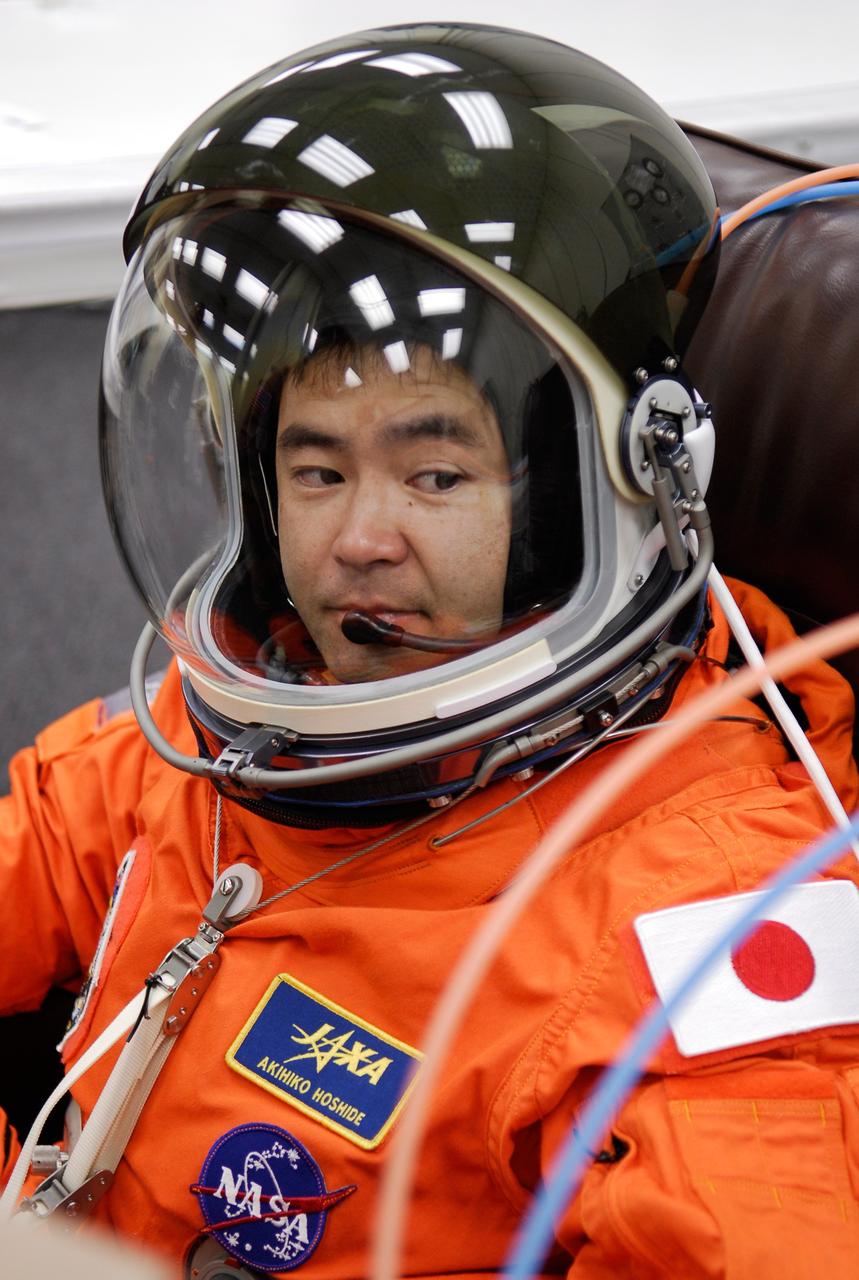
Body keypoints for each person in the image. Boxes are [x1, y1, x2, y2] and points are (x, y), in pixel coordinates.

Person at [1, 21, 858, 1279]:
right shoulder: (199, 747)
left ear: (580, 496)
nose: (358, 540)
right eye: (316, 469)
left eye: (435, 470)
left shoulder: (699, 916)